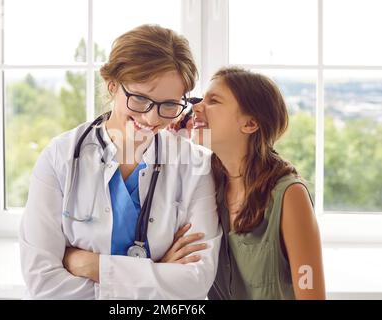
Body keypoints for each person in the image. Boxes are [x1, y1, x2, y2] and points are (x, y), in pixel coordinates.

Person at [19, 24, 222, 299]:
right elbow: (43, 283)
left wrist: (93, 266)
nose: (152, 118)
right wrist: (156, 273)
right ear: (112, 85)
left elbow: (195, 281)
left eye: (169, 105)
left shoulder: (194, 165)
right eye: (140, 99)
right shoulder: (60, 158)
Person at [166, 67, 326, 299]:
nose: (196, 107)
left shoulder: (289, 195)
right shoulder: (204, 182)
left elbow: (312, 295)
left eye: (214, 101)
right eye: (200, 99)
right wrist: (173, 140)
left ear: (250, 124)